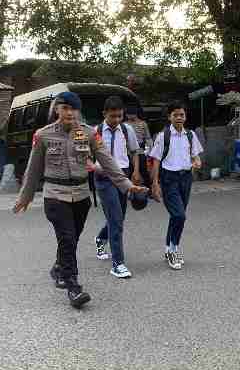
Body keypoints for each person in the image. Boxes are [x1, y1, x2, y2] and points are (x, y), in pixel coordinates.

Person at [13, 92, 147, 309]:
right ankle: (73, 286)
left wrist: (128, 186)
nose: (69, 113)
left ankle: (59, 268)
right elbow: (33, 168)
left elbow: (108, 161)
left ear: (78, 111)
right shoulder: (43, 135)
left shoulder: (89, 133)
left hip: (82, 195)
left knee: (71, 239)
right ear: (57, 110)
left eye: (73, 109)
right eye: (65, 108)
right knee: (67, 238)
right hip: (55, 195)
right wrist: (25, 196)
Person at [149, 102, 204, 270]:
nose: (179, 118)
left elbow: (195, 156)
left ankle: (168, 248)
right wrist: (155, 184)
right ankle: (174, 250)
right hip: (169, 179)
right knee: (179, 215)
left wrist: (197, 162)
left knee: (176, 216)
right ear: (169, 117)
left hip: (186, 178)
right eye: (176, 115)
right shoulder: (163, 136)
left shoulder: (190, 135)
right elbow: (156, 160)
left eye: (182, 115)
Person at [93, 96, 141, 279]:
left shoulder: (127, 130)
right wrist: (94, 167)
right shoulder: (95, 131)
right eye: (113, 116)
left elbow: (135, 151)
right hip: (104, 178)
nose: (116, 120)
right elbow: (84, 155)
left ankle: (100, 238)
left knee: (117, 218)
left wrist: (136, 172)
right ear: (104, 114)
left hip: (123, 176)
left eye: (119, 116)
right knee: (116, 219)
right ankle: (118, 263)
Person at [126, 106, 153, 189]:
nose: (129, 116)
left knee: (143, 170)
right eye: (128, 114)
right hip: (127, 151)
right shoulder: (124, 125)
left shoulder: (143, 124)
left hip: (140, 150)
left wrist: (150, 150)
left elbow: (148, 137)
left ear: (135, 114)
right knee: (129, 171)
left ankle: (149, 189)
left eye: (131, 114)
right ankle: (130, 189)